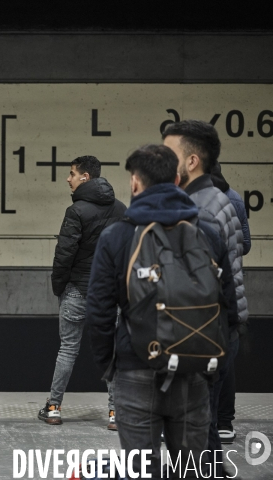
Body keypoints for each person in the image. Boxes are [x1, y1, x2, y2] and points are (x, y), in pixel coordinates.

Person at [87, 144, 238, 478]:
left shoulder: (117, 237)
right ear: (176, 179)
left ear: (135, 184)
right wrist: (211, 368)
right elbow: (228, 309)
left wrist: (112, 366)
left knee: (141, 471)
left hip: (136, 370)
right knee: (190, 471)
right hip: (195, 373)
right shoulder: (207, 235)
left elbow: (98, 310)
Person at [163, 120, 246, 472]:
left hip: (201, 336)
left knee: (193, 433)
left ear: (192, 160)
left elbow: (198, 288)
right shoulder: (222, 198)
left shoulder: (200, 210)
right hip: (219, 331)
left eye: (169, 154)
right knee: (204, 431)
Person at [38, 155, 126, 429]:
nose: (68, 178)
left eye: (72, 173)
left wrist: (59, 285)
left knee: (67, 349)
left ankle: (53, 408)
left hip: (77, 290)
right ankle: (115, 414)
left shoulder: (75, 212)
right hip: (109, 294)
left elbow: (64, 255)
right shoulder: (121, 209)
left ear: (85, 178)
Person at [211, 161, 251, 443]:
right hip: (231, 290)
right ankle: (224, 422)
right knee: (226, 359)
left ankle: (209, 422)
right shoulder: (234, 198)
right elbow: (245, 243)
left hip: (204, 292)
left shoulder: (193, 200)